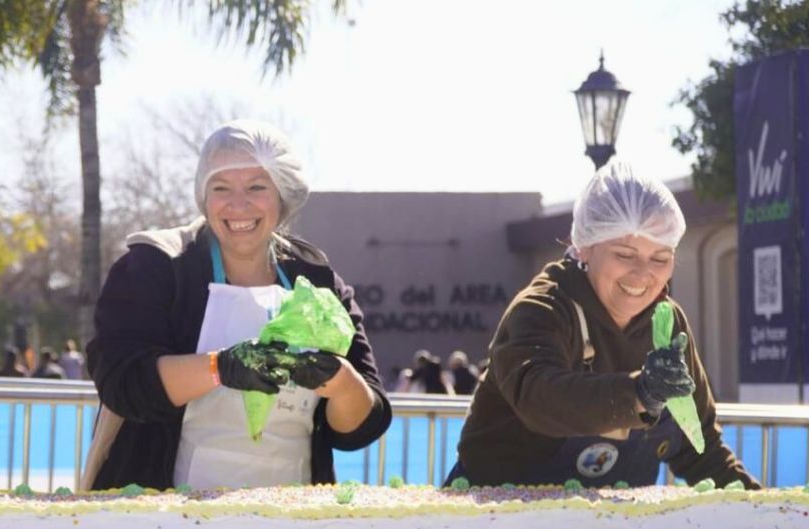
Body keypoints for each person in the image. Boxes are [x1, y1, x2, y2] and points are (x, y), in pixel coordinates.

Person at [83, 119, 391, 491]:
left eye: (257, 187)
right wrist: (220, 368)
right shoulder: (157, 266)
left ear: (283, 195)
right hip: (161, 519)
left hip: (290, 525)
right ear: (203, 195)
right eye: (221, 187)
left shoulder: (317, 281)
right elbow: (122, 382)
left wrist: (338, 382)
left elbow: (363, 425)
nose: (238, 205)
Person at [447, 161, 758, 489]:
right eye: (625, 254)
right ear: (585, 246)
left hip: (612, 525)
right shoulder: (543, 308)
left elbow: (700, 445)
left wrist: (765, 510)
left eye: (660, 258)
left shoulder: (667, 324)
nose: (642, 274)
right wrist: (638, 395)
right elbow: (537, 396)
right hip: (496, 516)